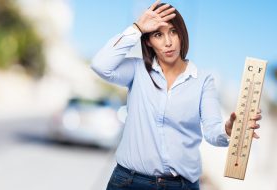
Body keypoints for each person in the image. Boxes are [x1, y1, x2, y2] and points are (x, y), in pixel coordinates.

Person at [91, 1, 262, 189]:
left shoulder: (203, 80)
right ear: (148, 41)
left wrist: (229, 129)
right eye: (158, 34)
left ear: (182, 34)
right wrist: (137, 28)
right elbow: (100, 65)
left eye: (173, 31)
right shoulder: (137, 70)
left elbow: (213, 132)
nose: (168, 42)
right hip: (129, 182)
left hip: (180, 185)